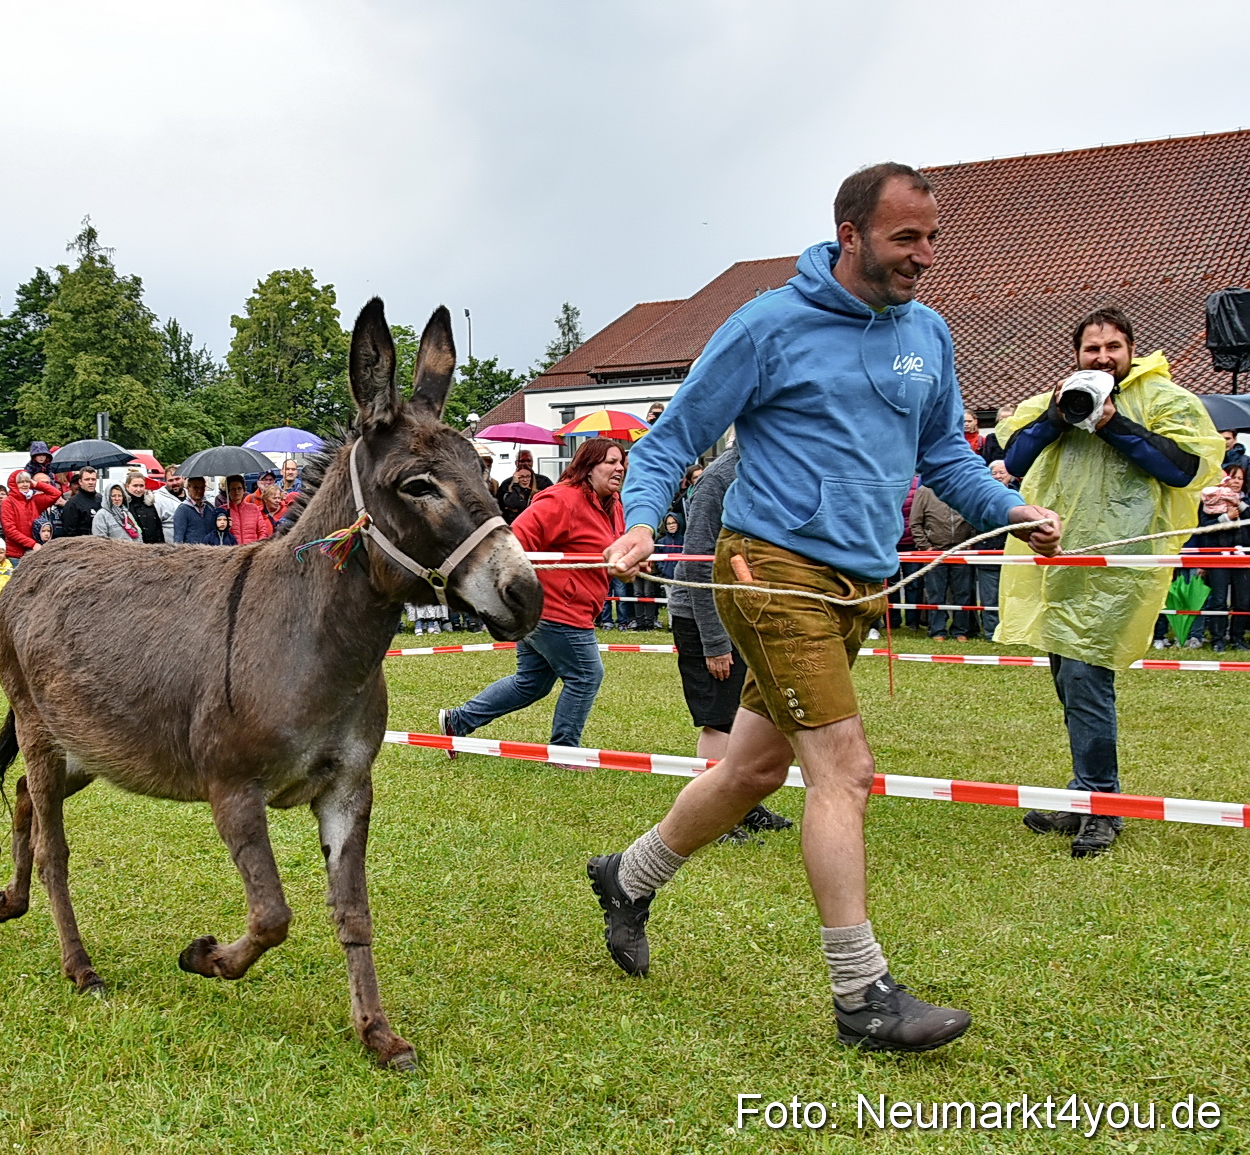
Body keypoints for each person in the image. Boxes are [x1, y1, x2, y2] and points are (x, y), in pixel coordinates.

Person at [592, 163, 1060, 1052]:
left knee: (752, 772)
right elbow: (672, 438)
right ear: (850, 233)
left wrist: (1010, 511)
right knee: (842, 769)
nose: (925, 256)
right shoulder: (768, 324)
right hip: (770, 572)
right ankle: (862, 994)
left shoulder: (929, 333)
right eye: (904, 239)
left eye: (931, 238)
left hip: (857, 585)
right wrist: (643, 521)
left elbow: (946, 457)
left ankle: (628, 876)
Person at [1001, 306, 1222, 857]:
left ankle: (1101, 805)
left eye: (1113, 348)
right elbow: (1015, 456)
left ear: (1131, 351)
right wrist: (1058, 416)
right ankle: (1084, 794)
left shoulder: (1164, 400)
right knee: (1069, 679)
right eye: (1091, 349)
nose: (1102, 358)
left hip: (1119, 567)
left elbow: (1183, 468)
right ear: (1076, 353)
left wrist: (1110, 422)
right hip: (1059, 562)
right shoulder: (1058, 397)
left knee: (1085, 677)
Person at [439, 438, 626, 751]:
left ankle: (458, 721)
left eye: (621, 462)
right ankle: (565, 750)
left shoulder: (613, 504)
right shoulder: (562, 500)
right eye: (610, 461)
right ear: (588, 467)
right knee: (586, 675)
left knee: (531, 683)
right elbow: (516, 542)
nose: (619, 467)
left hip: (571, 608)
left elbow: (614, 545)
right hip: (553, 610)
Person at [662, 447, 793, 836]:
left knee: (746, 715)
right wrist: (715, 643)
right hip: (704, 616)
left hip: (745, 611)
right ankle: (713, 816)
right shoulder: (718, 479)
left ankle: (742, 805)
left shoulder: (771, 466)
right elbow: (698, 565)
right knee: (719, 720)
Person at [909, 482, 976, 640]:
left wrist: (971, 542)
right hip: (935, 552)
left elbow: (974, 518)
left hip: (961, 551)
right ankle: (937, 630)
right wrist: (926, 547)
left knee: (963, 593)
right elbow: (915, 522)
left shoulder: (965, 488)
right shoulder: (925, 491)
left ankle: (961, 630)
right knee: (935, 593)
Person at [1197, 463, 1249, 650]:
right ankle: (1217, 640)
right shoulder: (1210, 500)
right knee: (1219, 600)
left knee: (1243, 601)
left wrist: (1240, 506)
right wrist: (1226, 517)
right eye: (1233, 477)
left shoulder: (1246, 502)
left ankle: (1238, 638)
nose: (1236, 482)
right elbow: (1203, 526)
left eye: (1240, 478)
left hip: (1242, 556)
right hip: (1217, 555)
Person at [977, 460, 1019, 638]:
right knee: (989, 597)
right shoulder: (981, 496)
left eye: (1002, 472)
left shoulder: (1019, 495)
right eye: (994, 473)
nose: (998, 476)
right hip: (988, 551)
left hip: (1013, 554)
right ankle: (991, 632)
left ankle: (1012, 632)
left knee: (1013, 596)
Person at [0, 469, 60, 559]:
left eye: (27, 481)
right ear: (14, 484)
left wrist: (36, 484)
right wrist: (32, 544)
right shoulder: (8, 502)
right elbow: (10, 530)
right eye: (21, 482)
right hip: (16, 554)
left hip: (33, 552)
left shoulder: (34, 500)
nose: (25, 484)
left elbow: (56, 494)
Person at [222, 476, 273, 543]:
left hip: (251, 551)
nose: (236, 491)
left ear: (243, 490)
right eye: (233, 489)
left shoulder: (253, 508)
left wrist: (258, 546)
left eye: (239, 488)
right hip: (231, 551)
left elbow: (262, 530)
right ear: (228, 491)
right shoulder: (222, 510)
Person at [172, 477, 219, 545]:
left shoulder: (209, 507)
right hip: (191, 552)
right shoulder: (182, 510)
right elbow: (178, 538)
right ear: (188, 487)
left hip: (210, 551)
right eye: (196, 488)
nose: (199, 491)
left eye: (202, 488)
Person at [123, 471, 167, 543]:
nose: (139, 489)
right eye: (135, 486)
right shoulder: (124, 505)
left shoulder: (149, 503)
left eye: (141, 486)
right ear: (127, 486)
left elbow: (158, 528)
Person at [59, 468, 104, 537]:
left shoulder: (101, 499)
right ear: (80, 482)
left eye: (93, 479)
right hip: (83, 544)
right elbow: (69, 533)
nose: (91, 482)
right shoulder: (72, 504)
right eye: (87, 479)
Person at [154, 468, 186, 536]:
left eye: (177, 479)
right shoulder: (157, 498)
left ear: (183, 478)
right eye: (171, 480)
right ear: (165, 482)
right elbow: (155, 525)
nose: (174, 483)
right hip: (169, 543)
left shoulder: (191, 496)